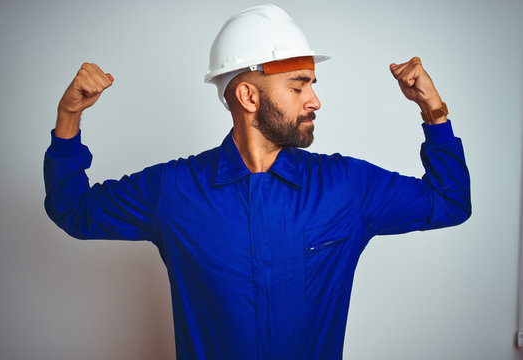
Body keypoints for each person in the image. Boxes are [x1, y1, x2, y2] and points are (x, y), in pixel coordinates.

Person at [44, 4, 471, 359]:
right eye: (297, 85)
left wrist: (434, 112)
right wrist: (69, 119)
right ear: (249, 96)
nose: (315, 99)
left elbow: (450, 202)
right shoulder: (173, 192)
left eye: (312, 84)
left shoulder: (347, 188)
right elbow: (73, 210)